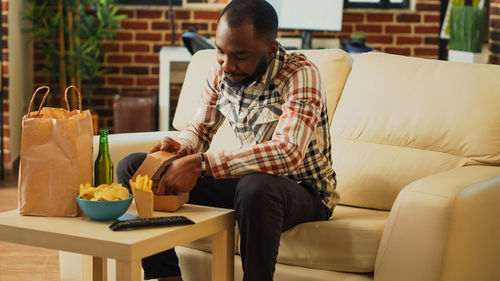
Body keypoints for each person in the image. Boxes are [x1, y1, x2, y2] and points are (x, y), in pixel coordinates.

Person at [117, 1, 339, 280]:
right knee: (134, 168)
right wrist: (182, 147)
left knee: (255, 187)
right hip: (248, 184)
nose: (227, 64)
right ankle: (167, 277)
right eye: (221, 52)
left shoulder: (301, 75)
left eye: (240, 56)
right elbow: (201, 128)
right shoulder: (221, 71)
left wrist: (199, 164)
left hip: (304, 192)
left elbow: (288, 152)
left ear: (270, 50)